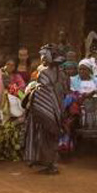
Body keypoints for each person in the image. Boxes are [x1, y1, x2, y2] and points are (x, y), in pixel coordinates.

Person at [23, 45, 70, 175]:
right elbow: (65, 91)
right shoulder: (63, 74)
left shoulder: (44, 73)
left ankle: (50, 165)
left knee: (44, 136)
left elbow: (41, 92)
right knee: (52, 136)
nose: (42, 59)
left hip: (45, 109)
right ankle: (51, 163)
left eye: (44, 56)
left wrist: (32, 92)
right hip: (58, 109)